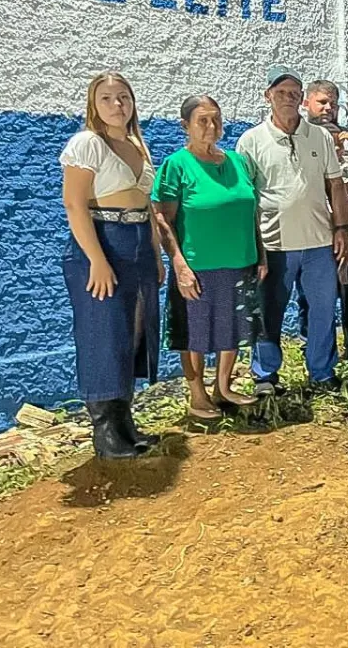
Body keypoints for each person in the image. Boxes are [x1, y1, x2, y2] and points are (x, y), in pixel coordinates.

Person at [59, 72, 162, 459]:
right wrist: (97, 261)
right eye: (107, 98)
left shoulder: (138, 143)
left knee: (133, 331)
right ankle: (105, 433)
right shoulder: (87, 143)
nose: (118, 105)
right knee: (103, 333)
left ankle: (124, 423)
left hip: (136, 242)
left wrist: (155, 254)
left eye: (124, 97)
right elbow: (74, 204)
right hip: (102, 240)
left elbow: (146, 207)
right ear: (94, 104)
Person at [236, 67, 348, 395]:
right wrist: (251, 246)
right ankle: (266, 376)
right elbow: (246, 198)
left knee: (323, 310)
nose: (288, 98)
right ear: (267, 96)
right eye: (281, 92)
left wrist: (341, 228)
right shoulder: (251, 141)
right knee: (268, 312)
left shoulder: (319, 138)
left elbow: (336, 186)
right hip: (273, 244)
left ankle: (322, 372)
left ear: (302, 99)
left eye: (294, 93)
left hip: (318, 243)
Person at [152, 95, 265, 420]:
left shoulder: (236, 161)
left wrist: (261, 254)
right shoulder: (177, 165)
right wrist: (178, 263)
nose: (212, 126)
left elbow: (250, 211)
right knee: (195, 332)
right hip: (197, 266)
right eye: (202, 120)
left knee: (233, 327)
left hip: (239, 261)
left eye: (216, 119)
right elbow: (163, 219)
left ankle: (224, 388)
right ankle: (198, 395)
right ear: (185, 125)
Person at [301, 79, 348, 370]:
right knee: (313, 293)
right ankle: (316, 349)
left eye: (332, 102)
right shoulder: (303, 138)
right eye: (322, 102)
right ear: (307, 103)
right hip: (314, 230)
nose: (328, 108)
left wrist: (345, 211)